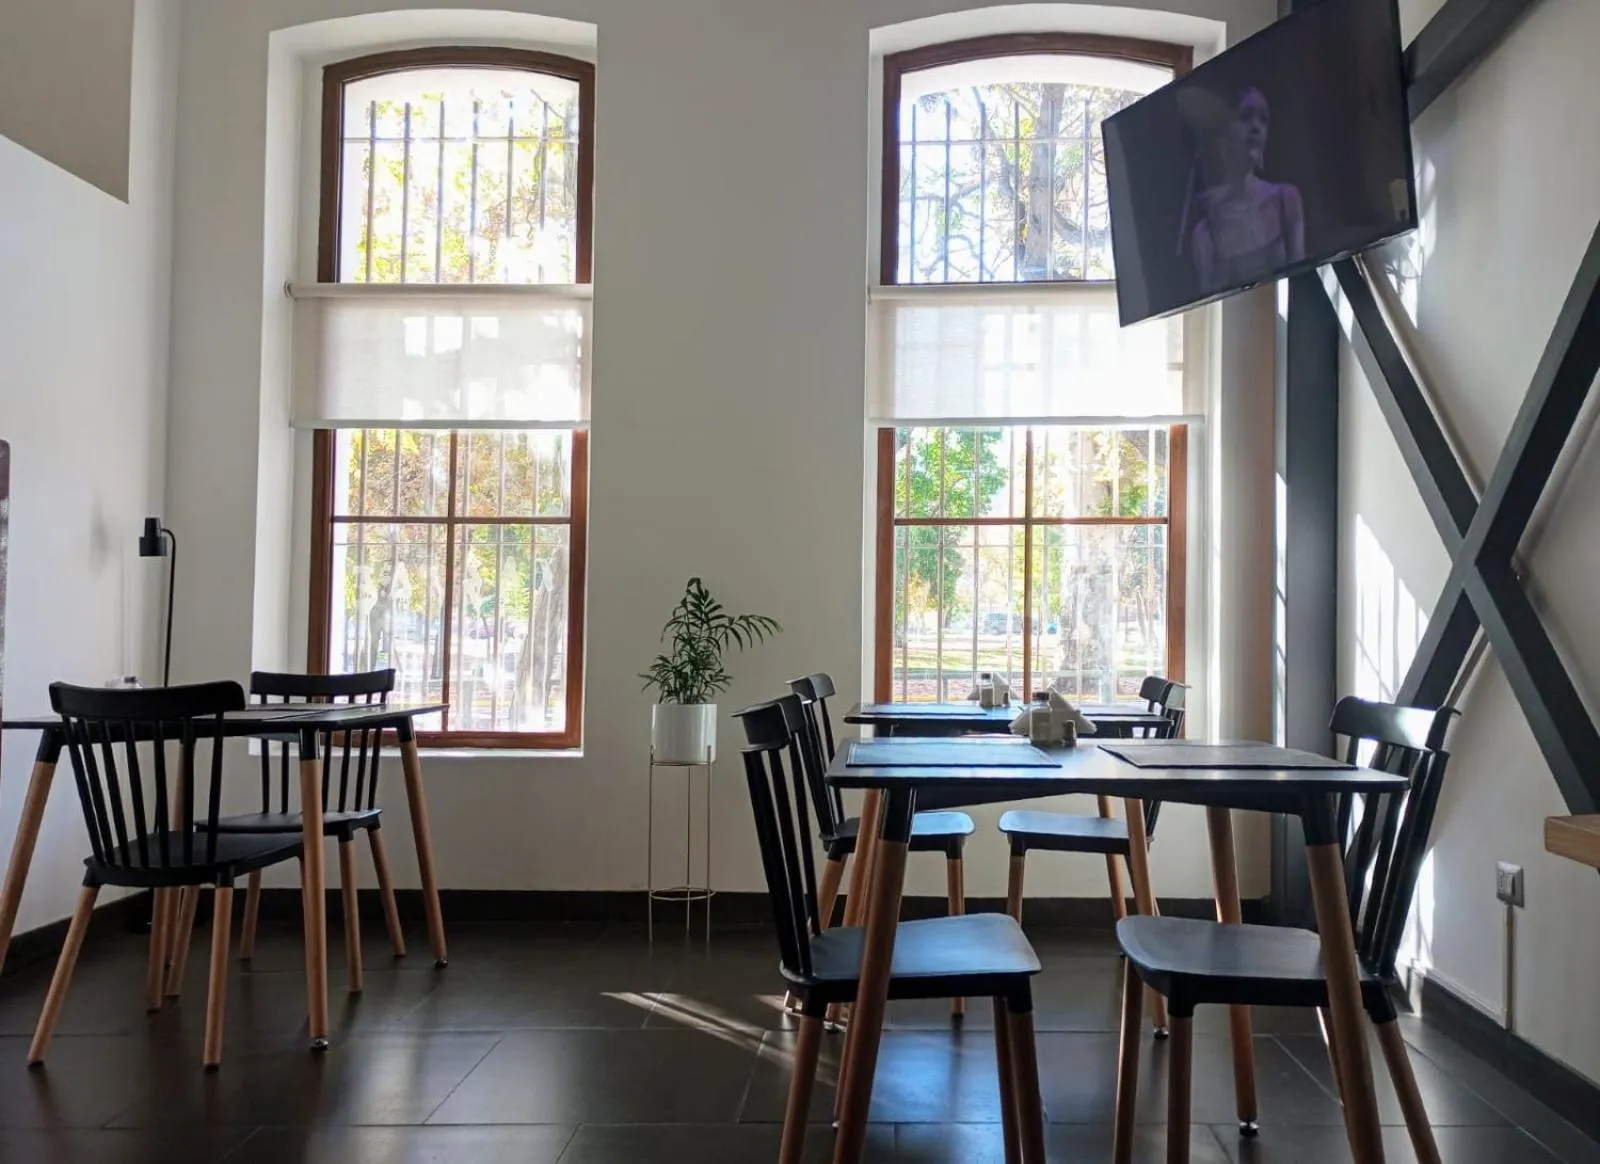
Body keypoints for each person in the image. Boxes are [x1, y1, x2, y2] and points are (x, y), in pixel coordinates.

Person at [1186, 85, 1305, 294]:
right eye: (1245, 116)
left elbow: (1302, 285)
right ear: (1224, 133)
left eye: (1263, 120)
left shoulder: (1286, 199)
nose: (1256, 127)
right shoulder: (1205, 233)